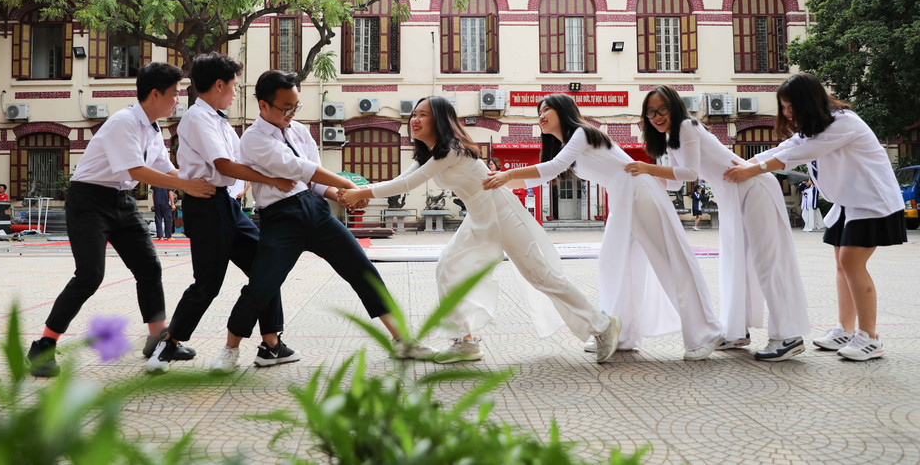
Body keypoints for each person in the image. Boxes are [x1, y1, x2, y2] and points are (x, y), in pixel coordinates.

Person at [340, 96, 622, 364]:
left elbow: (407, 186)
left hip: (501, 211)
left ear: (439, 120)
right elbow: (403, 179)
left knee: (541, 276)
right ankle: (466, 341)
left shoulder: (450, 150)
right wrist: (360, 190)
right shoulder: (428, 153)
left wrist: (361, 192)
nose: (414, 119)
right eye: (414, 114)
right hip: (479, 215)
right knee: (447, 268)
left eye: (422, 114)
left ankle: (602, 324)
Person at [213, 70, 435, 372]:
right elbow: (300, 168)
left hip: (315, 211)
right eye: (285, 108)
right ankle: (231, 348)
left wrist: (339, 194)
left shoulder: (300, 132)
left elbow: (314, 181)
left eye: (296, 106)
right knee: (262, 284)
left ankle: (403, 341)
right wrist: (352, 186)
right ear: (263, 106)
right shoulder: (252, 140)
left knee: (362, 269)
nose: (291, 113)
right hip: (280, 220)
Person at [482, 94, 722, 360]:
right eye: (538, 110)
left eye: (547, 109)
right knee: (615, 265)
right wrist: (498, 182)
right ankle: (622, 334)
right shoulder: (567, 146)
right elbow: (549, 173)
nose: (541, 114)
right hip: (623, 196)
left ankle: (706, 333)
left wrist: (508, 174)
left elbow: (553, 167)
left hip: (638, 191)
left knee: (670, 260)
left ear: (563, 111)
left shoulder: (583, 133)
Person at [27, 62, 217, 377]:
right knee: (89, 276)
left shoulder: (154, 129)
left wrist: (201, 181)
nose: (177, 101)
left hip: (121, 201)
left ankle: (157, 339)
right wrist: (186, 185)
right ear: (155, 94)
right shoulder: (124, 122)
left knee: (149, 267)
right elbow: (137, 171)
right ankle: (43, 347)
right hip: (88, 200)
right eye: (174, 94)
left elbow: (165, 168)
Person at [723, 72, 906, 361]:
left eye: (791, 106)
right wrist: (743, 163)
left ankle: (870, 337)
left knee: (850, 262)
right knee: (841, 265)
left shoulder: (843, 123)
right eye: (783, 107)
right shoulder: (817, 127)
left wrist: (752, 170)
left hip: (872, 201)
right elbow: (788, 148)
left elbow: (801, 153)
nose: (787, 113)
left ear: (808, 102)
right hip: (848, 202)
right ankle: (845, 330)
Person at [627, 84, 810, 361]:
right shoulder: (672, 137)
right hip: (733, 195)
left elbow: (689, 173)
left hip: (753, 187)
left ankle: (788, 336)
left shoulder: (687, 126)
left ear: (674, 106)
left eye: (662, 109)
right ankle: (736, 332)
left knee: (766, 261)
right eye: (651, 112)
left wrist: (647, 168)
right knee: (737, 263)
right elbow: (676, 182)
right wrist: (642, 179)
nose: (657, 116)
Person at [147, 53, 298, 373]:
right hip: (206, 206)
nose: (235, 92)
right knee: (208, 283)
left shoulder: (218, 119)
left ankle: (271, 343)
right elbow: (224, 165)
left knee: (266, 267)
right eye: (233, 86)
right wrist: (271, 179)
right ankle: (168, 345)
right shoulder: (197, 119)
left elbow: (241, 160)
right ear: (218, 85)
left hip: (226, 204)